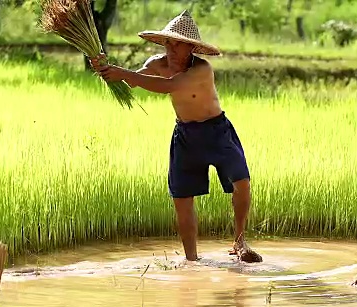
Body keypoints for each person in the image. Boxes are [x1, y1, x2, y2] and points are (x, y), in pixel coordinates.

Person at [89, 10, 262, 263]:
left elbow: (169, 86)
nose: (169, 47)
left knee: (242, 182)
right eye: (167, 41)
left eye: (176, 42)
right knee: (182, 198)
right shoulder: (156, 64)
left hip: (217, 132)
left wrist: (122, 72)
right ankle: (191, 260)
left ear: (190, 47)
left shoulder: (202, 69)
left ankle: (239, 240)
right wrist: (105, 70)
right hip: (185, 136)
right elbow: (133, 82)